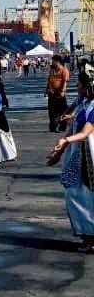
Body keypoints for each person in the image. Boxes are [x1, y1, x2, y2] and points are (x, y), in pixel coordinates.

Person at [48, 71, 94, 253]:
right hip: (79, 154)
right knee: (76, 194)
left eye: (80, 85)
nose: (77, 87)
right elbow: (73, 126)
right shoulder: (85, 103)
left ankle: (91, 238)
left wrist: (65, 142)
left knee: (83, 196)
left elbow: (85, 132)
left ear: (87, 87)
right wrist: (59, 152)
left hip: (88, 156)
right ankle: (88, 236)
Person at [46, 55, 70, 133]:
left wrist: (62, 91)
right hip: (51, 93)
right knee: (51, 111)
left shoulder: (64, 70)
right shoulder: (52, 70)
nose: (52, 63)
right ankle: (53, 127)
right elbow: (49, 80)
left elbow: (65, 82)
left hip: (59, 93)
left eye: (53, 61)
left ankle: (62, 126)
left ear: (57, 62)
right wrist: (46, 90)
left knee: (62, 111)